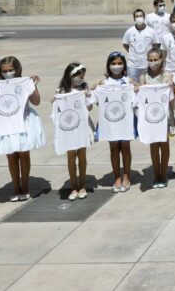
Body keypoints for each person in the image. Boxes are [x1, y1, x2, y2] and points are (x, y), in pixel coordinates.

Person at [0, 56, 45, 202]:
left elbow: (36, 101)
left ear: (17, 69)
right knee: (11, 156)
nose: (7, 73)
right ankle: (16, 187)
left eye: (10, 70)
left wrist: (34, 85)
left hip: (23, 121)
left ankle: (25, 186)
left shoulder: (25, 81)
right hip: (4, 122)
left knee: (23, 154)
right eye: (4, 71)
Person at [96, 52, 137, 193]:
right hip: (110, 121)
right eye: (113, 64)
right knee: (113, 148)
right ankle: (117, 177)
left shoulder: (129, 81)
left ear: (124, 65)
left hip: (125, 120)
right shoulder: (103, 83)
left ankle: (127, 175)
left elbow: (137, 97)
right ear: (108, 65)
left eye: (119, 63)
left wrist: (137, 89)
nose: (117, 66)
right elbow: (95, 100)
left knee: (125, 147)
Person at [56, 62, 93, 201]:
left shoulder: (84, 87)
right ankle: (73, 186)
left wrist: (88, 96)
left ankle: (82, 184)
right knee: (71, 155)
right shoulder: (61, 90)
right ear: (70, 75)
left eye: (82, 75)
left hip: (82, 125)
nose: (80, 77)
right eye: (77, 75)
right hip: (68, 127)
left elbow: (89, 109)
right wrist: (55, 99)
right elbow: (57, 109)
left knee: (82, 155)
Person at [139, 48, 173, 188]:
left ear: (161, 60)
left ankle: (163, 173)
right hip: (150, 115)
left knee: (164, 144)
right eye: (150, 60)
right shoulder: (143, 77)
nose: (153, 63)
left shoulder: (167, 75)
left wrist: (171, 87)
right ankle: (156, 173)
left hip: (164, 114)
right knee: (153, 144)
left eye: (156, 60)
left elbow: (172, 95)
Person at [123, 8, 159, 82]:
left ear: (144, 17)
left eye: (141, 16)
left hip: (147, 65)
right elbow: (125, 44)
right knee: (133, 87)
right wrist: (132, 53)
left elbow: (156, 45)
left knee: (147, 86)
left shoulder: (151, 31)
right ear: (134, 18)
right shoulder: (129, 31)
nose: (139, 18)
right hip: (133, 66)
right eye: (137, 16)